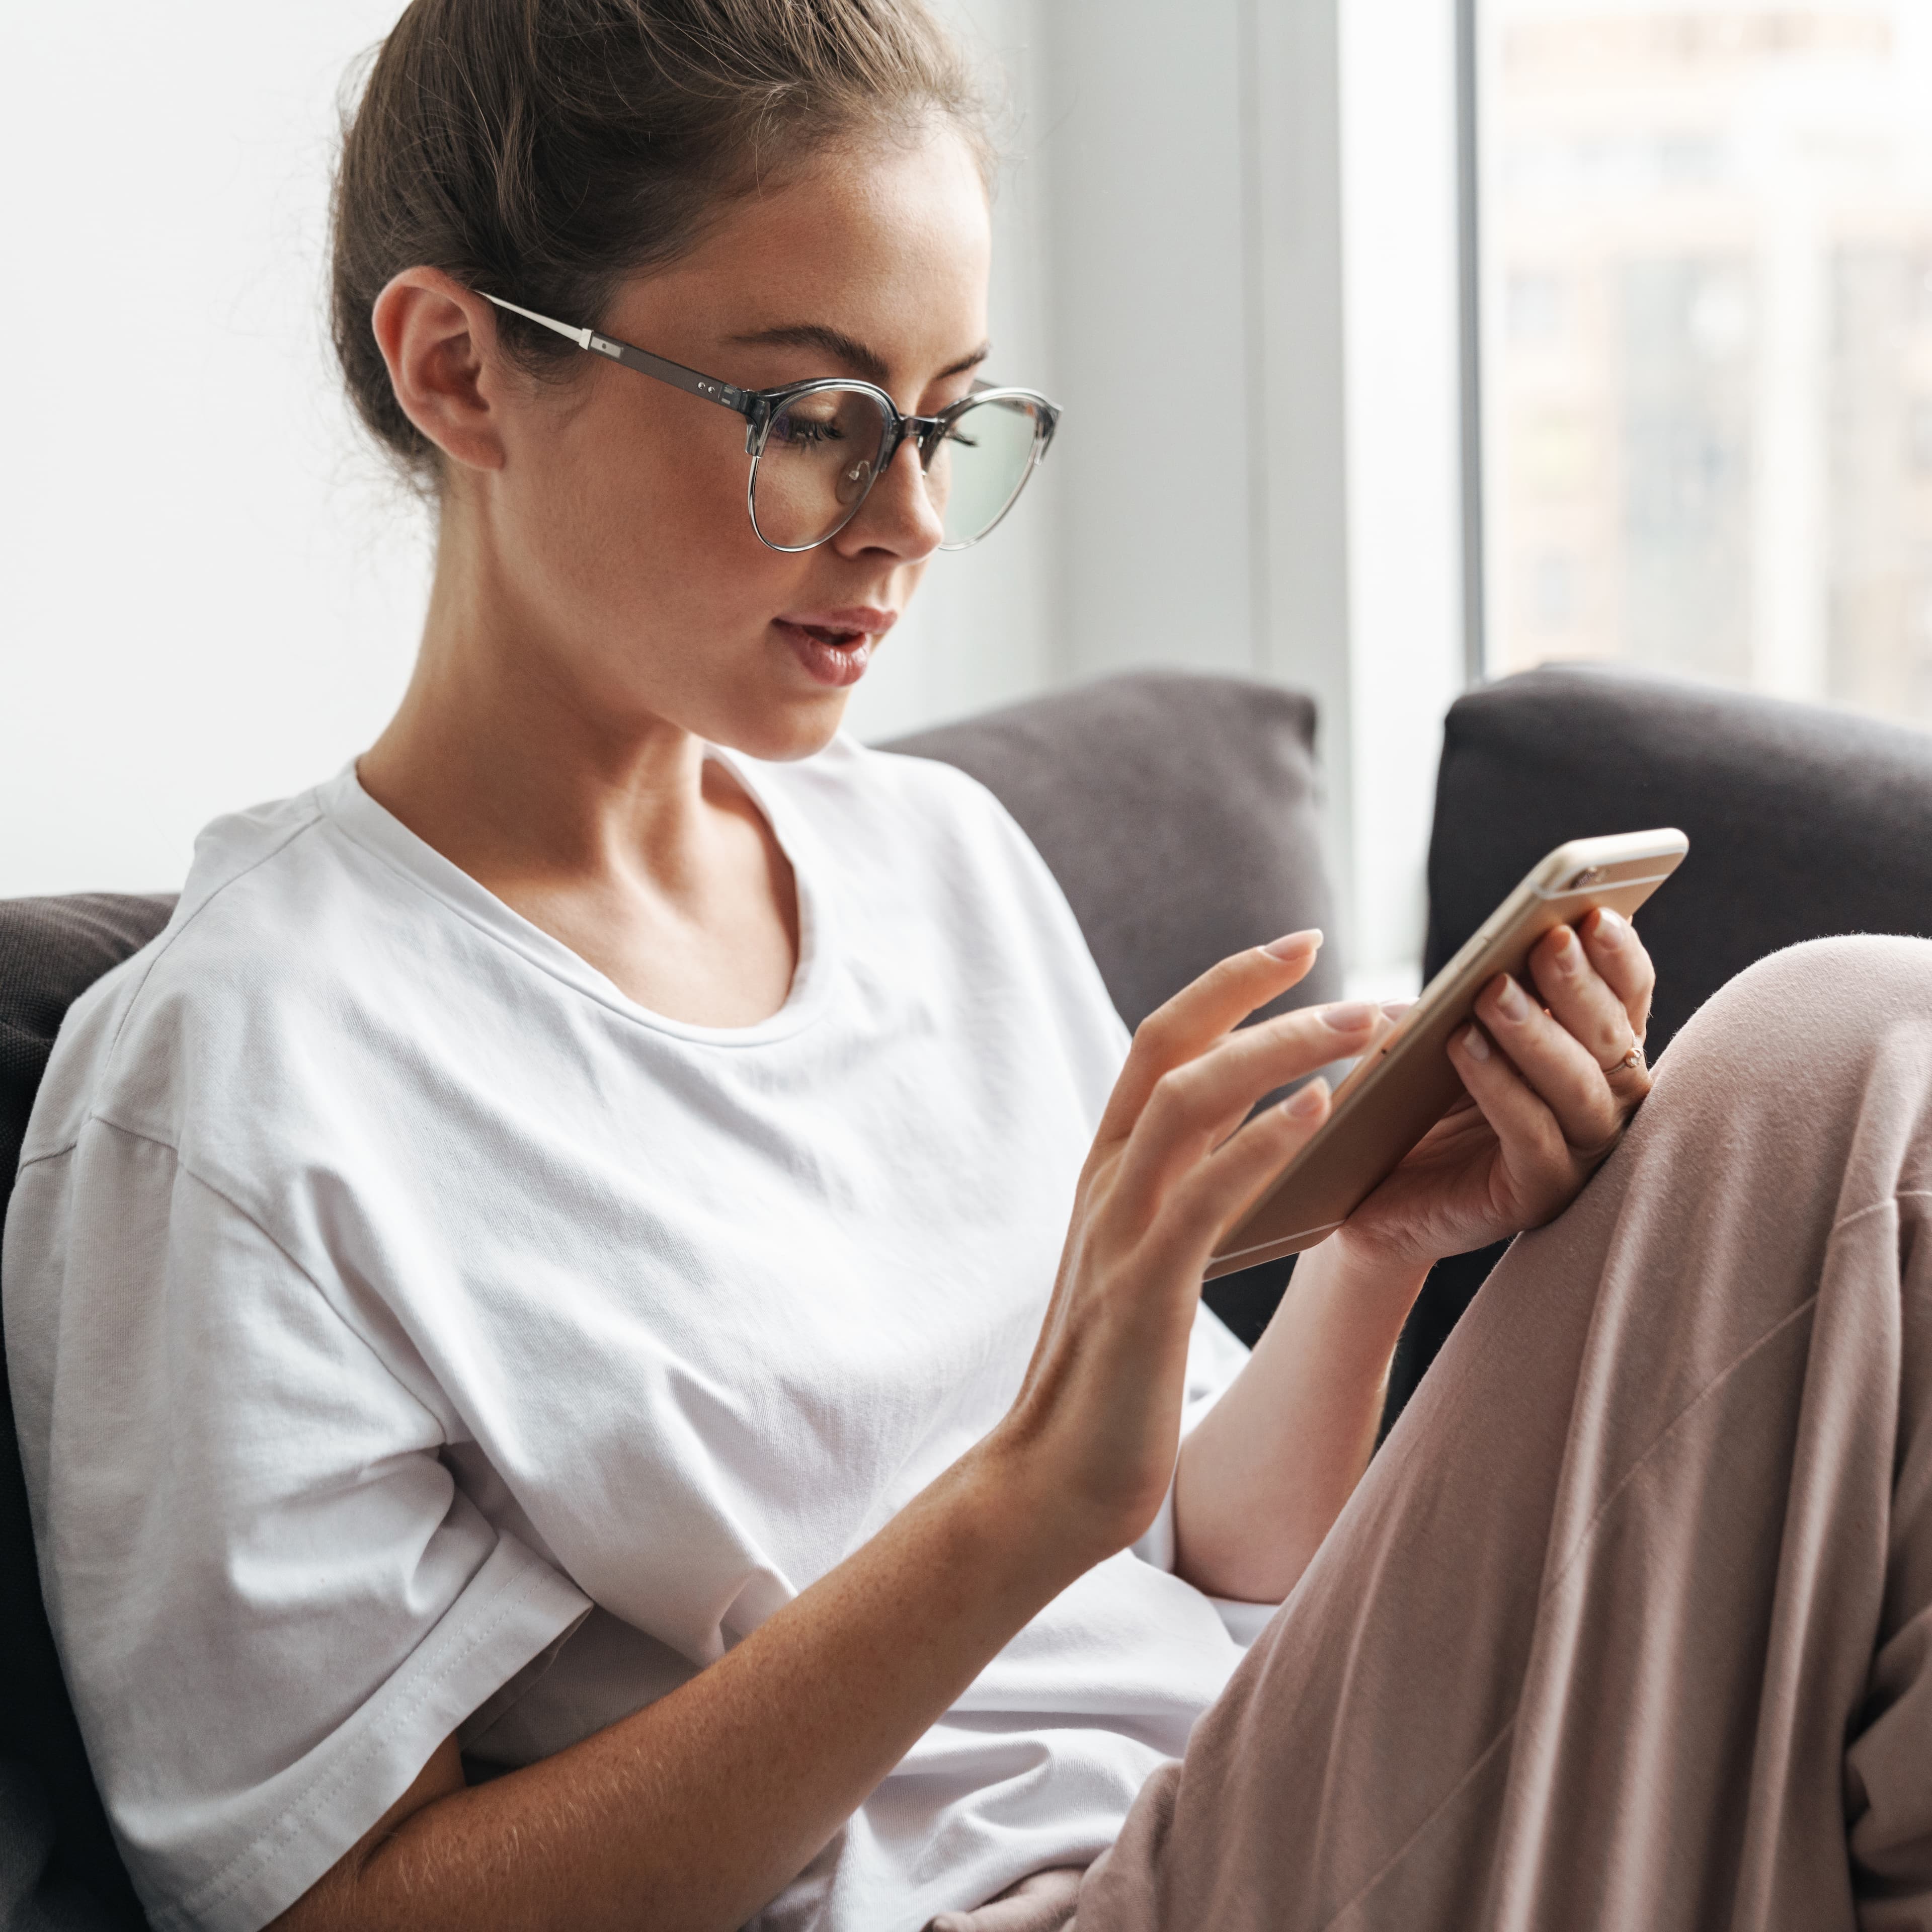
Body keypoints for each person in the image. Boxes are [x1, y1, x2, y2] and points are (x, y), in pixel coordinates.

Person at [6, 2, 1930, 1928]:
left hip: (1274, 1794)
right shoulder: (230, 1087)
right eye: (814, 421)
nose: (911, 523)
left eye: (942, 423)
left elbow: (1209, 1541)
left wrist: (1371, 1255)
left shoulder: (937, 868)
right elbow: (335, 1912)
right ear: (461, 369)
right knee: (1847, 1057)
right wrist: (1014, 1510)